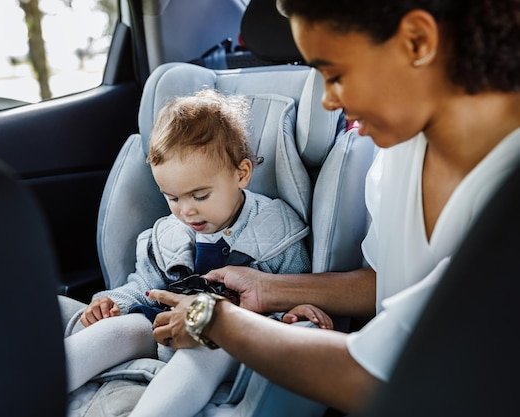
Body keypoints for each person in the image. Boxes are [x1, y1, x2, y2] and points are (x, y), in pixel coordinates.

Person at [147, 0, 520, 413]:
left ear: (417, 42)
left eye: (335, 74)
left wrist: (212, 319)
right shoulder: (395, 157)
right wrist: (267, 288)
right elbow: (388, 282)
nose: (327, 100)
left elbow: (376, 376)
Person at [59, 89, 328, 416]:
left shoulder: (276, 234)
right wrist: (114, 302)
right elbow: (144, 286)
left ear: (241, 173)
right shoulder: (168, 235)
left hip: (232, 342)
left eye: (200, 196)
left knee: (209, 348)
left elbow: (295, 291)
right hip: (165, 328)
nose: (185, 211)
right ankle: (28, 393)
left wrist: (299, 310)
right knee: (118, 330)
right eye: (172, 198)